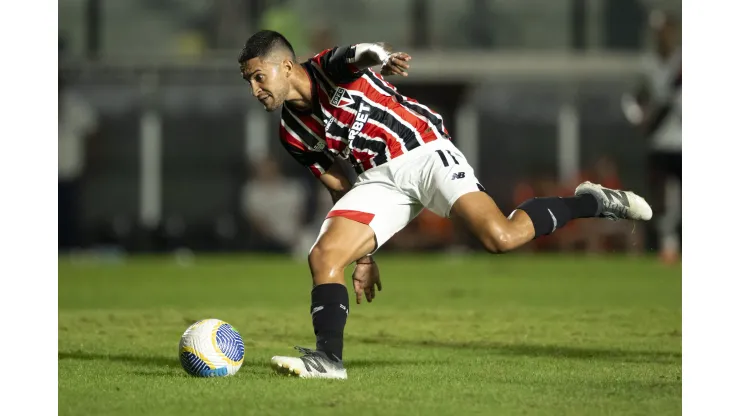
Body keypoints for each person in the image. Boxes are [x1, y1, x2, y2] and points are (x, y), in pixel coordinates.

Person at [237, 30, 653, 379]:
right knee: (325, 254)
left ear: (286, 66)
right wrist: (365, 253)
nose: (255, 90)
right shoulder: (292, 133)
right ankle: (328, 361)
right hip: (377, 181)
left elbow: (357, 55)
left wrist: (380, 57)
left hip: (423, 152)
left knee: (500, 237)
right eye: (249, 82)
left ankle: (589, 201)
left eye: (258, 77)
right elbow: (340, 187)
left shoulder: (326, 68)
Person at [622, 10, 681, 263]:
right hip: (660, 142)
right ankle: (668, 244)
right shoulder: (648, 65)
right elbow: (633, 99)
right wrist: (641, 119)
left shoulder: (684, 61)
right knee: (662, 197)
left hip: (685, 140)